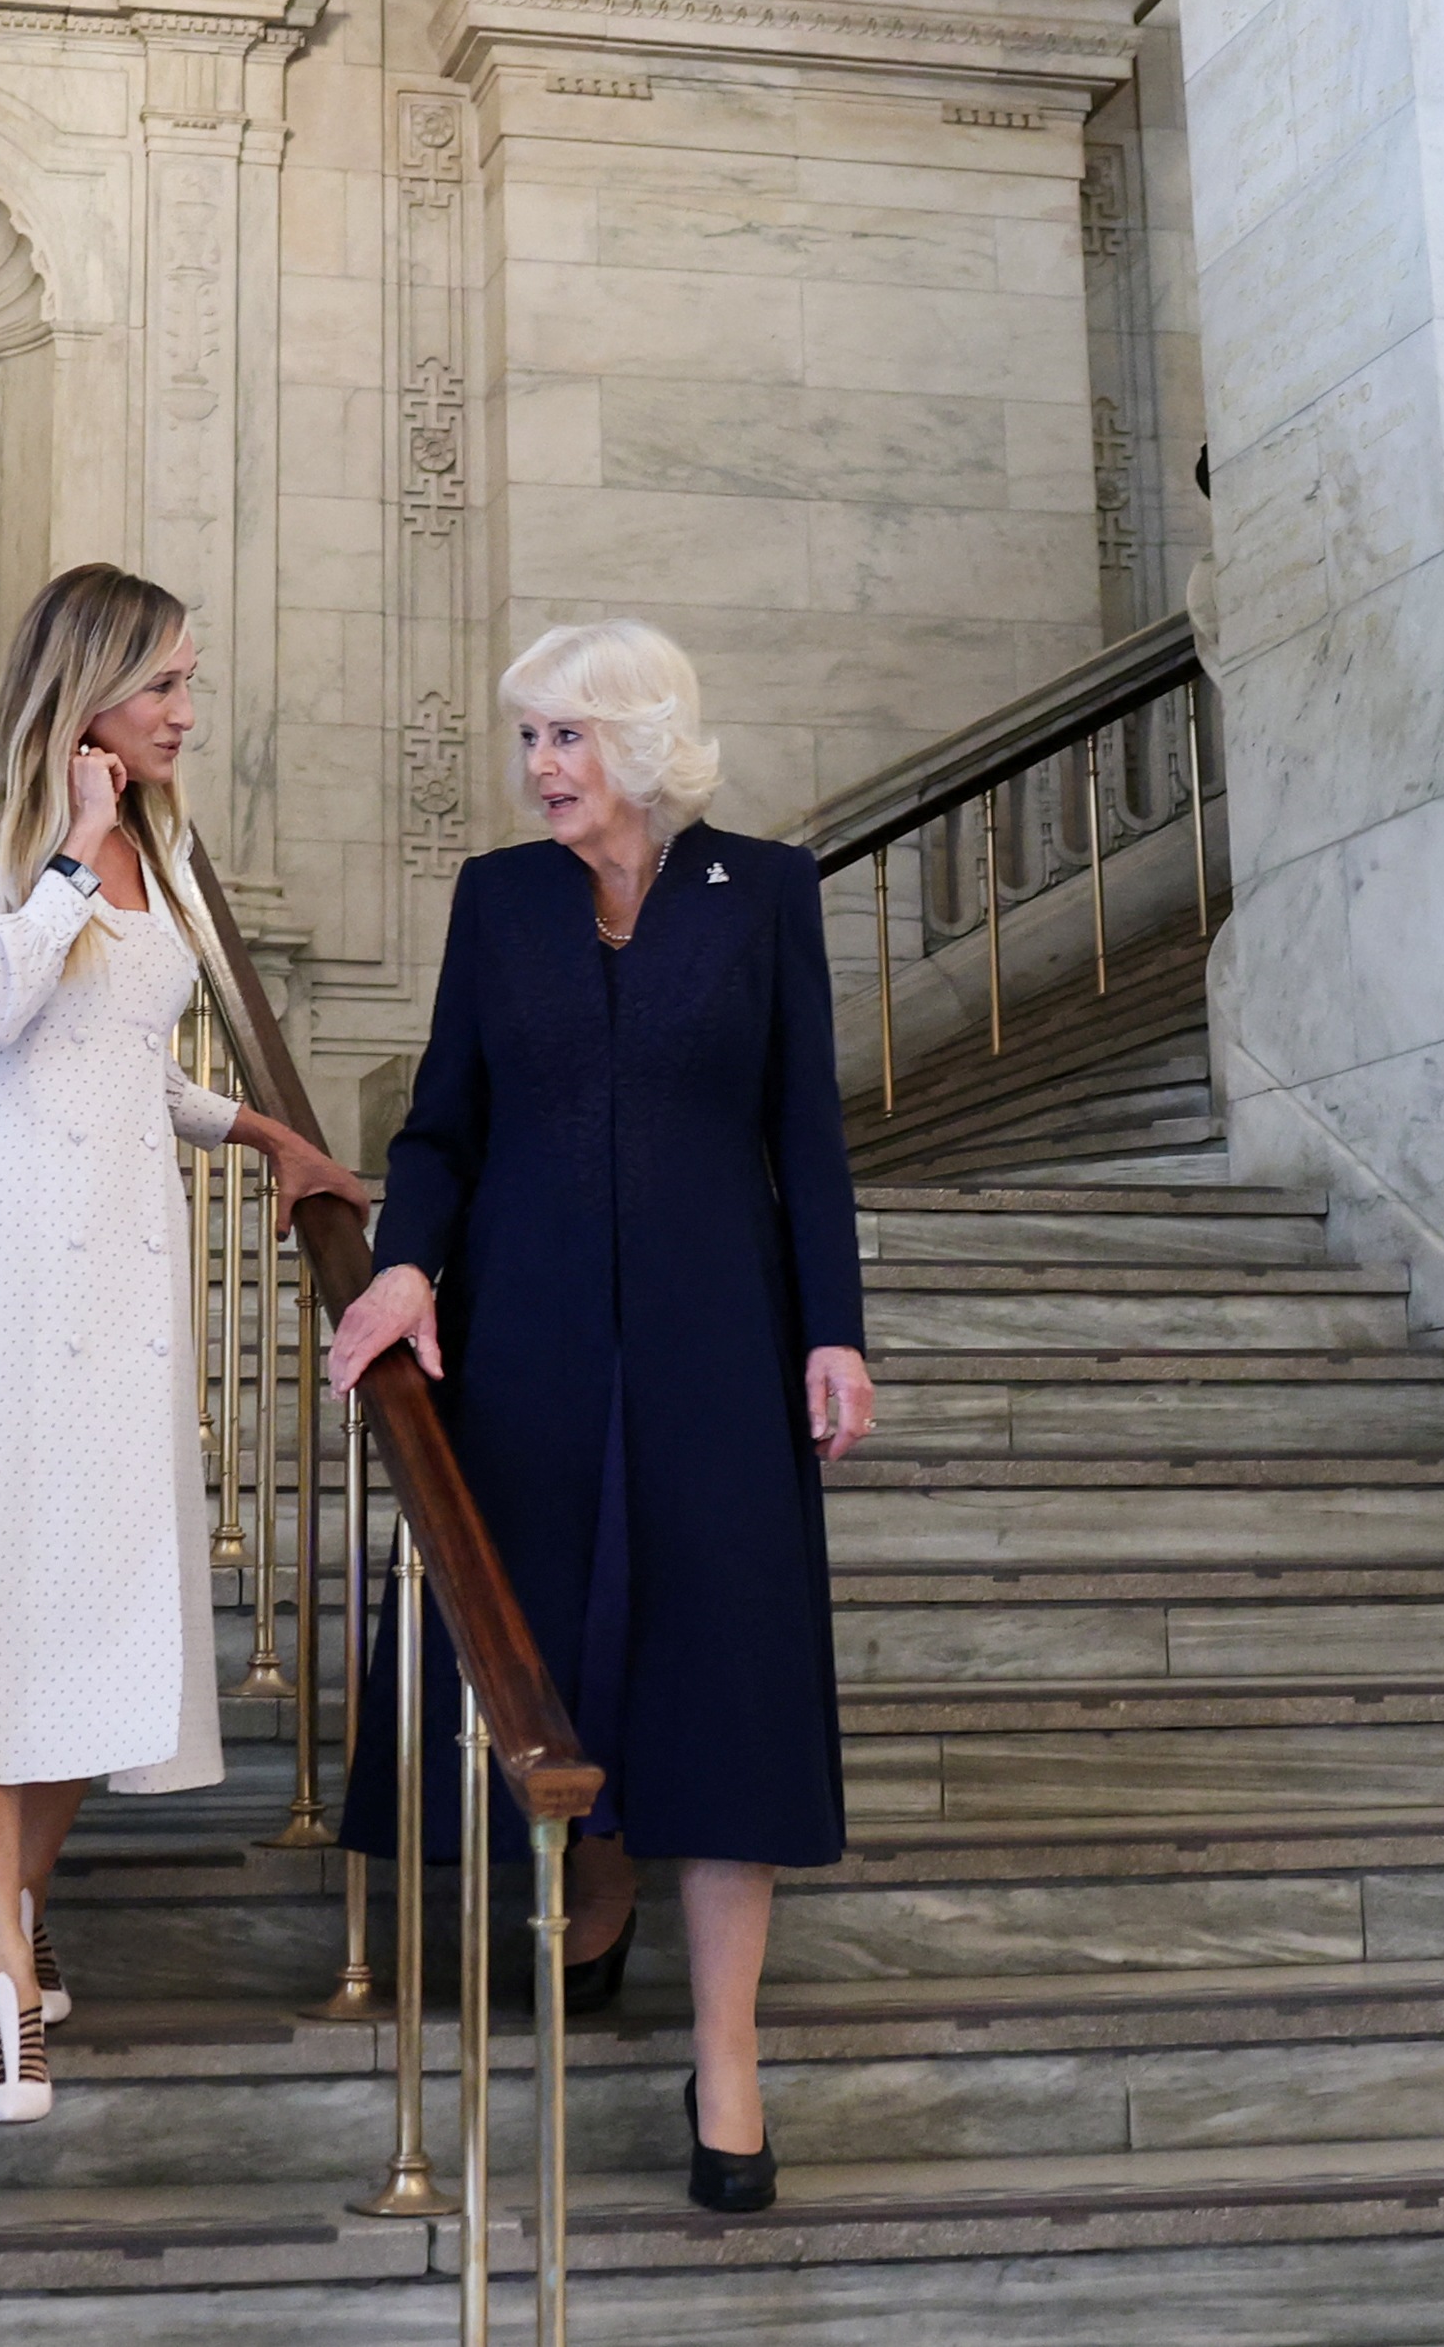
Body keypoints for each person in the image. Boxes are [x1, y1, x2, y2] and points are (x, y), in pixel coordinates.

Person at [0, 562, 367, 2124]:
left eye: (193, 682)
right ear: (93, 686)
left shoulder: (170, 852)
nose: (190, 711)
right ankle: (0, 1985)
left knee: (97, 1591)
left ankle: (18, 1917)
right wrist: (65, 852)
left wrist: (261, 1130)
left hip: (118, 1253)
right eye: (166, 683)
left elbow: (120, 1058)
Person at [323, 618, 873, 2214]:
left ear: (640, 741)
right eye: (528, 740)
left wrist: (833, 1332)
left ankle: (728, 2061)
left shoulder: (763, 891)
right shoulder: (499, 902)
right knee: (559, 1641)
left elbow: (807, 1139)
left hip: (720, 1337)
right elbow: (441, 1121)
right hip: (535, 1340)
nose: (541, 768)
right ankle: (599, 1881)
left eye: (567, 736)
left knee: (723, 1675)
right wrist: (409, 1262)